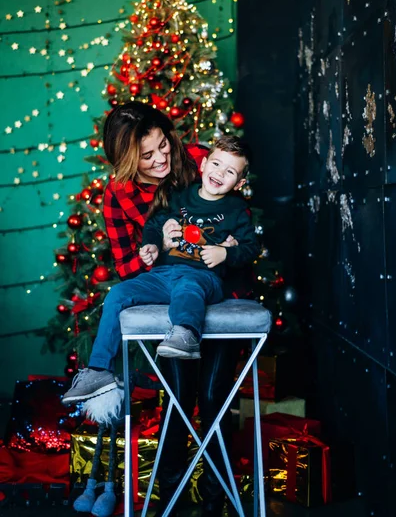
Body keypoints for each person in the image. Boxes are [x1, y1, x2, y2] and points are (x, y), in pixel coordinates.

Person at [62, 102, 255, 515]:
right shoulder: (118, 194)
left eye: (163, 146)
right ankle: (172, 497)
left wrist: (228, 251)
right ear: (127, 160)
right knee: (179, 396)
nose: (161, 159)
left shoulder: (203, 161)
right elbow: (126, 266)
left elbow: (239, 221)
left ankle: (218, 498)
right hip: (164, 285)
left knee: (212, 395)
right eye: (147, 156)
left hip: (213, 288)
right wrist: (158, 247)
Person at [137, 135, 259, 360]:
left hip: (202, 278)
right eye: (216, 164)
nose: (220, 173)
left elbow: (251, 248)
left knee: (188, 285)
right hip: (167, 272)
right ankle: (98, 369)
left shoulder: (237, 209)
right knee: (117, 294)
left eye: (230, 172)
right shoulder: (181, 196)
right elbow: (155, 223)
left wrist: (226, 252)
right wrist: (153, 244)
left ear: (240, 183)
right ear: (203, 165)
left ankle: (186, 335)